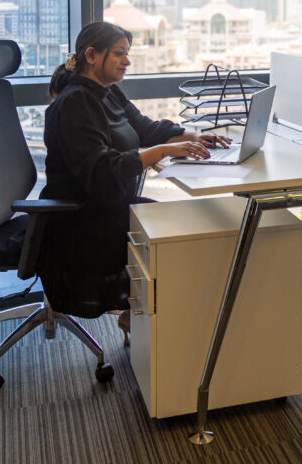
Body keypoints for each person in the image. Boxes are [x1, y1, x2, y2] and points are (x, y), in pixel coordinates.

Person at [38, 21, 231, 343]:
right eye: (118, 54)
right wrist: (164, 151)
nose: (126, 61)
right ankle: (141, 316)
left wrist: (195, 135)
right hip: (84, 219)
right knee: (175, 236)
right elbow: (102, 170)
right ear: (91, 55)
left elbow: (143, 127)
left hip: (113, 206)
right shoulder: (75, 103)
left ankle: (138, 315)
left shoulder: (107, 91)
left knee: (182, 226)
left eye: (127, 54)